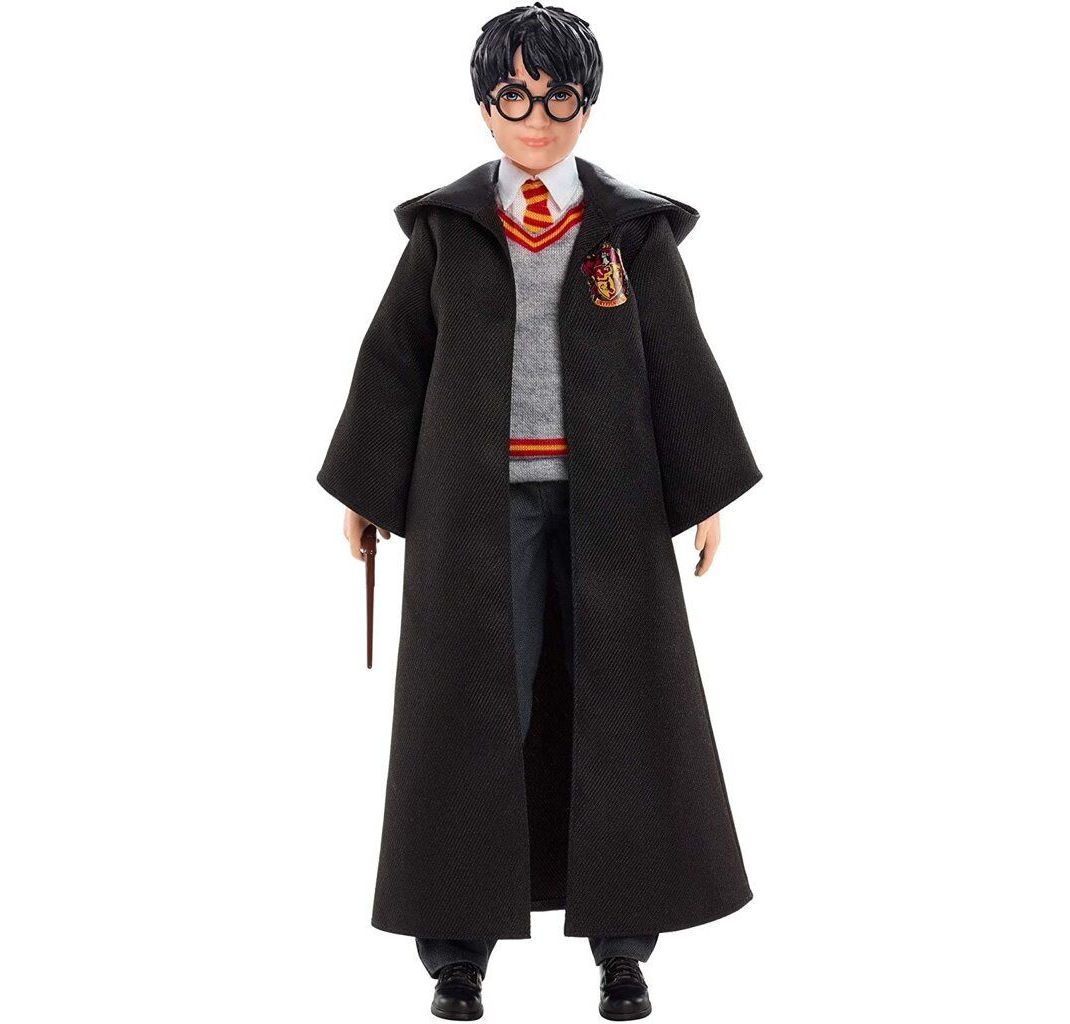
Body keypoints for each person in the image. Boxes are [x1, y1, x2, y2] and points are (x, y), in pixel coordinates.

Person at [318, 5, 762, 1019]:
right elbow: (396, 360)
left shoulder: (628, 232)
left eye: (559, 96)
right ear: (485, 106)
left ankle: (623, 949)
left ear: (587, 104)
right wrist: (365, 491)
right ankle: (457, 951)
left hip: (613, 504)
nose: (537, 119)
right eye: (514, 96)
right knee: (472, 710)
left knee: (620, 708)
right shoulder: (449, 230)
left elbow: (678, 359)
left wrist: (702, 491)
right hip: (471, 508)